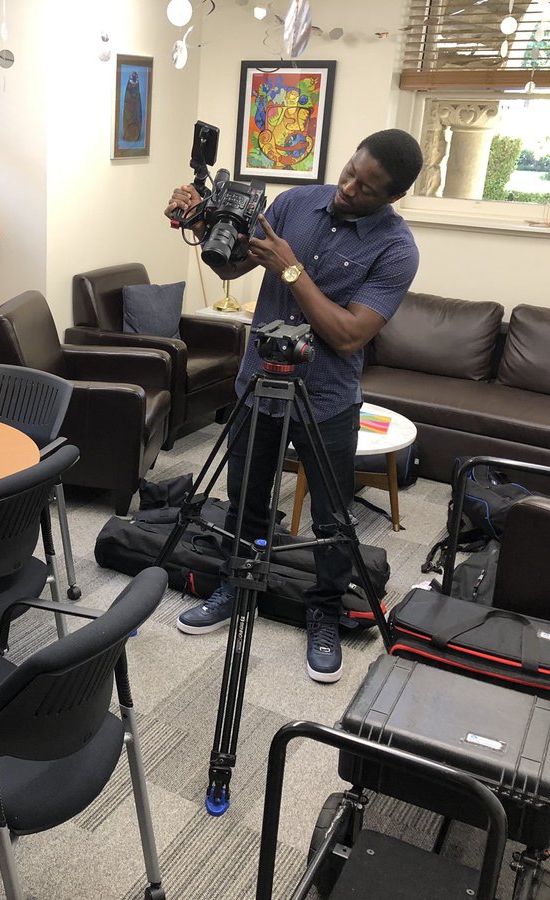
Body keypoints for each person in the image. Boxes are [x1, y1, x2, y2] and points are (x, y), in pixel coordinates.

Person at [163, 129, 423, 684]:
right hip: (259, 382)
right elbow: (231, 266)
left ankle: (324, 610)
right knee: (246, 501)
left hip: (326, 398)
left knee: (331, 517)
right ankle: (236, 585)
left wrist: (290, 269)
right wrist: (202, 223)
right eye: (351, 171)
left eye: (367, 188)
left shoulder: (397, 250)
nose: (348, 188)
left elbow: (350, 334)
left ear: (392, 198)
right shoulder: (294, 203)